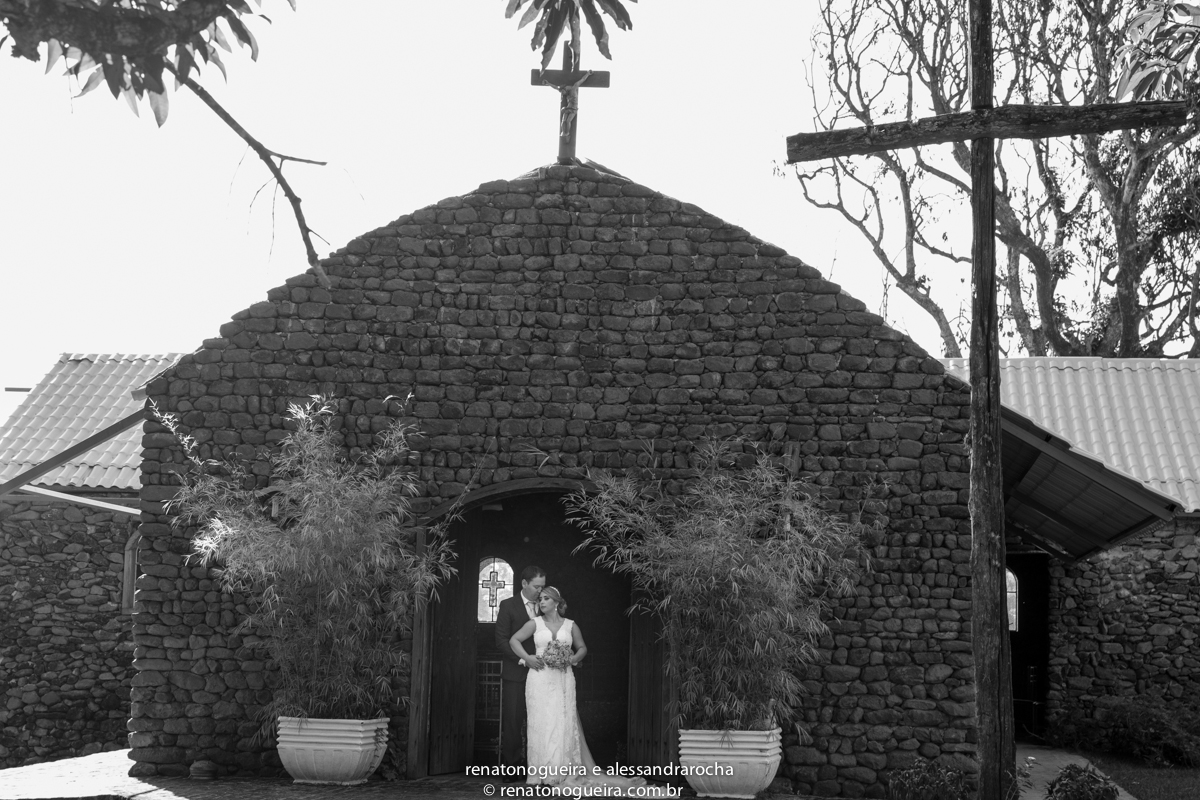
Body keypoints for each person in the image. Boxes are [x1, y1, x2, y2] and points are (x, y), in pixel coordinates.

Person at [509, 586, 651, 795]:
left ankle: (559, 773)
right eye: (540, 599)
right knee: (541, 722)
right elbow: (513, 640)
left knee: (563, 720)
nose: (541, 602)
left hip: (564, 677)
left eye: (546, 599)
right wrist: (527, 658)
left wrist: (573, 658)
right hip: (539, 677)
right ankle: (540, 774)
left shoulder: (571, 625)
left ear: (557, 602)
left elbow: (582, 647)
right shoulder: (534, 623)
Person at [494, 566, 546, 782]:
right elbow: (501, 641)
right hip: (516, 673)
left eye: (542, 586)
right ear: (524, 584)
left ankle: (537, 765)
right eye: (536, 586)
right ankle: (512, 767)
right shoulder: (508, 606)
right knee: (513, 721)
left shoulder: (546, 604)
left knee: (541, 720)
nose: (540, 591)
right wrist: (524, 659)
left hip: (543, 674)